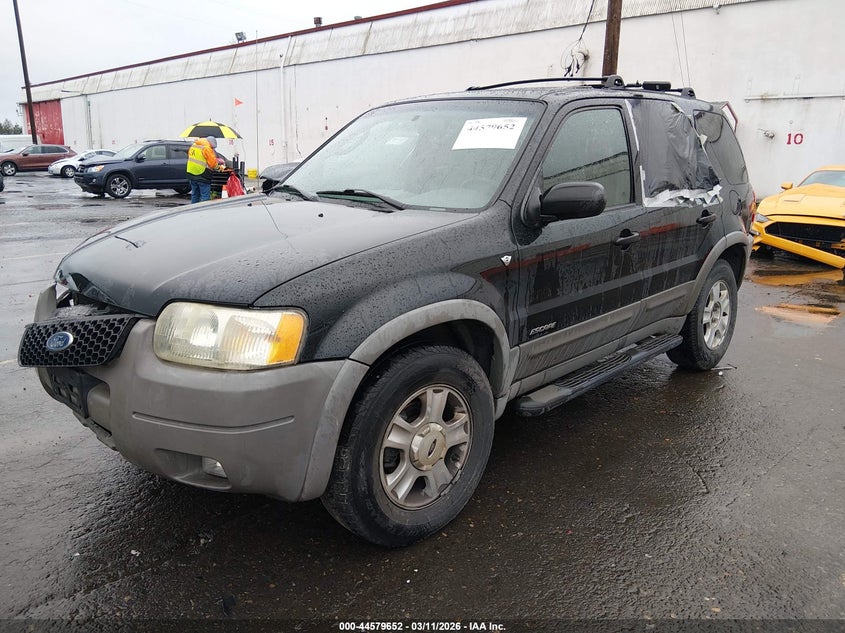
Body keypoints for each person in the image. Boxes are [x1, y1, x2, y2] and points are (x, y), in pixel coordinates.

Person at [186, 136, 224, 203]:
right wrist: (219, 168)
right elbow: (212, 164)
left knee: (195, 194)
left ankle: (193, 211)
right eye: (213, 147)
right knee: (205, 196)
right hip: (202, 175)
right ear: (211, 144)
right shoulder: (207, 148)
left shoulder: (194, 145)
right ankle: (204, 212)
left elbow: (190, 156)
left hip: (191, 173)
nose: (212, 149)